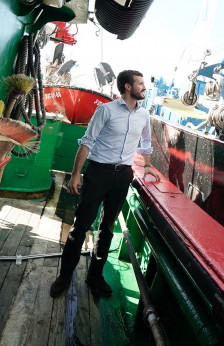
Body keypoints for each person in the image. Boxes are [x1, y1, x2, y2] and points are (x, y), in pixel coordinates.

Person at [50, 70, 160, 298]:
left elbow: (146, 141)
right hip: (98, 172)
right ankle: (65, 275)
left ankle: (95, 276)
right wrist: (76, 174)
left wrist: (147, 165)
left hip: (123, 176)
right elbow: (86, 142)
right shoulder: (106, 110)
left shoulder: (144, 115)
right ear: (127, 87)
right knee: (81, 225)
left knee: (107, 227)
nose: (144, 87)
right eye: (140, 83)